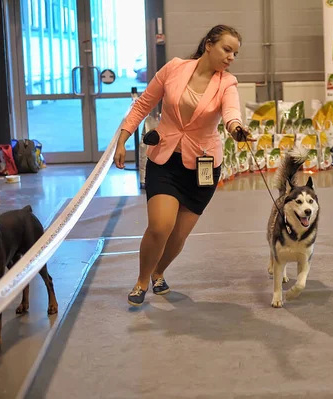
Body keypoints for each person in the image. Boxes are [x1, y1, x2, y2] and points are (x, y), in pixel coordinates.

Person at [114, 25, 251, 306]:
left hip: (203, 166)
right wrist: (122, 139)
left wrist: (237, 128)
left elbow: (231, 112)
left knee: (178, 236)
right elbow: (142, 105)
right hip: (165, 159)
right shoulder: (174, 68)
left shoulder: (228, 83)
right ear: (209, 44)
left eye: (235, 53)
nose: (231, 57)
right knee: (160, 226)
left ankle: (159, 272)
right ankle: (141, 281)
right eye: (227, 49)